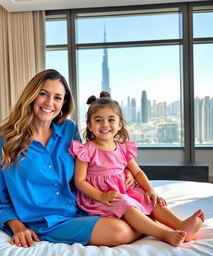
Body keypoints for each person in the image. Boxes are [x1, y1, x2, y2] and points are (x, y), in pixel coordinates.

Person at [0, 69, 141, 248]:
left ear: (64, 103)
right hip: (46, 221)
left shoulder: (69, 129)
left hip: (84, 207)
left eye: (58, 97)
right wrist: (18, 227)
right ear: (31, 96)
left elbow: (90, 164)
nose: (50, 102)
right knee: (122, 231)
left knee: (138, 209)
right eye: (43, 94)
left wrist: (125, 169)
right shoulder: (5, 141)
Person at [68, 91, 205, 247]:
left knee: (148, 198)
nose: (105, 125)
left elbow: (137, 172)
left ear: (119, 124)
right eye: (98, 120)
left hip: (122, 190)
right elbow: (79, 181)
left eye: (111, 120)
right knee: (125, 203)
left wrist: (150, 190)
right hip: (100, 197)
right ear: (90, 126)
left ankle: (180, 225)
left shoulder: (122, 149)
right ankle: (163, 233)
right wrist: (101, 196)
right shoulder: (85, 150)